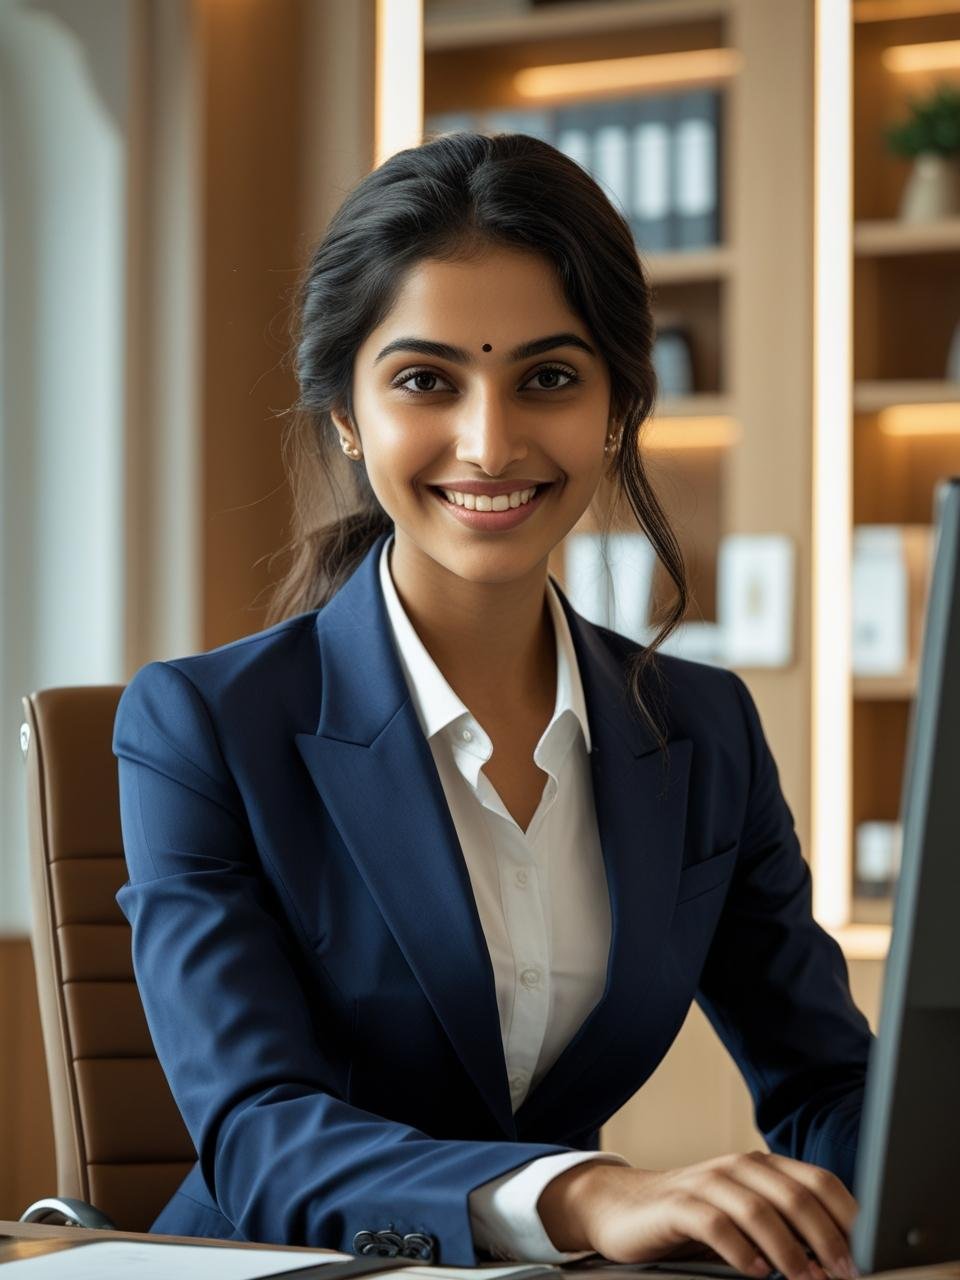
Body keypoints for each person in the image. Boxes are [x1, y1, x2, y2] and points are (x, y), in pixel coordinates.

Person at [112, 130, 873, 1278]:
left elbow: (830, 1083)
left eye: (549, 379)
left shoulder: (703, 729)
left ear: (617, 407)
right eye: (426, 380)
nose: (490, 440)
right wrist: (587, 1191)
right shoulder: (199, 726)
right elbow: (257, 1131)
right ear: (347, 416)